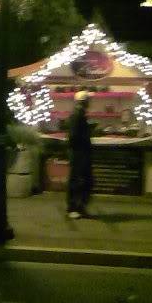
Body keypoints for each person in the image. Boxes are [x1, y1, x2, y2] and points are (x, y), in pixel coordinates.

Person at [67, 90, 94, 219]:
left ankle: (79, 207)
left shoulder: (79, 114)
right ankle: (74, 207)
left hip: (79, 152)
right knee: (79, 180)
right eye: (88, 100)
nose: (90, 102)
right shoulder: (78, 115)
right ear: (84, 102)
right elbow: (73, 136)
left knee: (82, 180)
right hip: (79, 153)